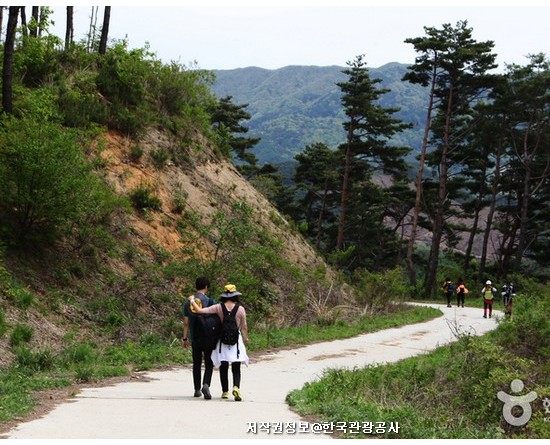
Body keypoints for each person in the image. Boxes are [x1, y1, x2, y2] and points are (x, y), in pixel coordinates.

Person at [188, 283, 249, 401]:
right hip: (236, 341)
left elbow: (200, 311)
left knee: (223, 366)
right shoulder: (240, 309)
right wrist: (246, 338)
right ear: (236, 295)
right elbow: (244, 326)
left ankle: (225, 391)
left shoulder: (218, 307)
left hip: (222, 341)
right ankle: (236, 387)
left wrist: (192, 300)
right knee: (236, 367)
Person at [182, 277, 217, 399]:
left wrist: (185, 338)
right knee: (208, 362)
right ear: (206, 287)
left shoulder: (188, 303)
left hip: (195, 337)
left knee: (196, 363)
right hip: (208, 336)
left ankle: (197, 389)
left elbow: (186, 323)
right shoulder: (210, 301)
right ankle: (206, 384)